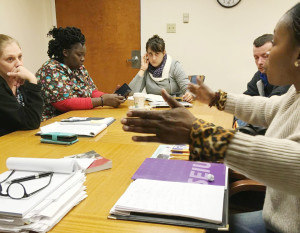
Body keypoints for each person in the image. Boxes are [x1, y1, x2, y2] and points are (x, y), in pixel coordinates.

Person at [121, 3, 300, 232]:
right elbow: (268, 108)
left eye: (275, 43)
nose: (265, 57)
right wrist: (216, 98)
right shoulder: (295, 94)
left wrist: (200, 132)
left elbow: (293, 164)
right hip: (273, 219)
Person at [36, 26, 125, 121]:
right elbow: (64, 103)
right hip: (53, 123)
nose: (83, 59)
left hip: (77, 118)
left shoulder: (79, 68)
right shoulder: (50, 70)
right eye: (79, 55)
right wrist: (102, 101)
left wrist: (111, 97)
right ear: (65, 52)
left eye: (84, 55)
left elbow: (92, 92)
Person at [235, 34, 291, 130]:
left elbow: (269, 109)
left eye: (265, 56)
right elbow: (247, 98)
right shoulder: (260, 75)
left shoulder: (288, 76)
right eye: (256, 57)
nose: (260, 62)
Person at [129, 35, 193, 102]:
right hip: (153, 107)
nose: (153, 58)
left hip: (174, 105)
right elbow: (131, 94)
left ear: (164, 53)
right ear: (146, 54)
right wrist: (142, 69)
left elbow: (187, 88)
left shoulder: (174, 66)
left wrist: (189, 94)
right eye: (150, 54)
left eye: (157, 54)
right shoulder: (146, 68)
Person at [0, 34, 43, 136]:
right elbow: (32, 122)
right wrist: (33, 80)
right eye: (10, 59)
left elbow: (36, 115)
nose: (19, 64)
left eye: (20, 57)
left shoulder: (22, 80)